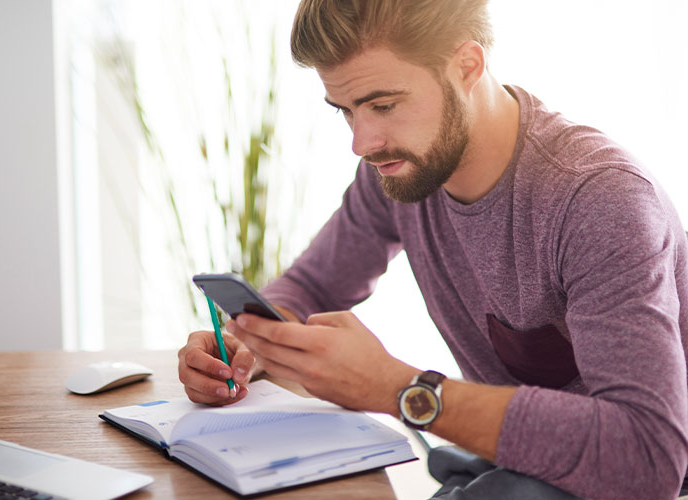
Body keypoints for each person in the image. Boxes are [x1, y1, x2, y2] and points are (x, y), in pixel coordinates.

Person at [177, 1, 688, 499]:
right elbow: (311, 286)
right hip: (515, 464)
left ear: (467, 65)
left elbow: (645, 459)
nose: (362, 141)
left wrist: (398, 388)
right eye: (346, 111)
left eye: (383, 105)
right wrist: (255, 342)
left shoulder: (597, 199)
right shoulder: (400, 167)